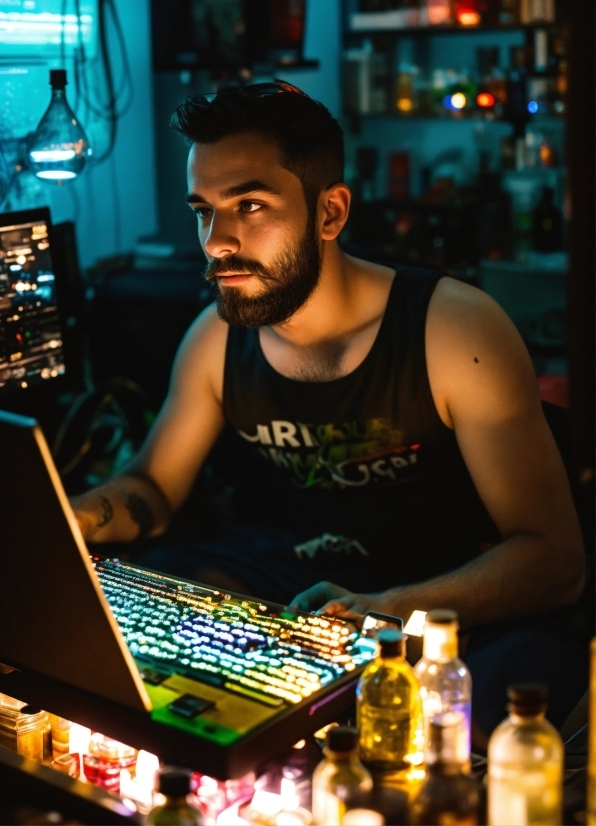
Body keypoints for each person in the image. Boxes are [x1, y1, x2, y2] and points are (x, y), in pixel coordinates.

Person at [72, 82, 587, 738]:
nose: (216, 242)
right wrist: (72, 519)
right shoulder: (214, 340)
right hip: (300, 590)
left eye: (249, 206)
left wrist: (388, 609)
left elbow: (556, 560)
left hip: (449, 598)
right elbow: (152, 488)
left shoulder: (454, 332)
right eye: (203, 210)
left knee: (442, 723)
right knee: (127, 632)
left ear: (330, 213)